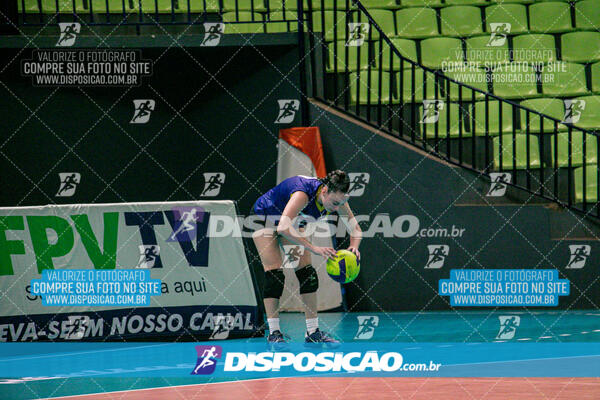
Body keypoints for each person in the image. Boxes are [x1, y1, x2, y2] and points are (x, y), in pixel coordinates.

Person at [251, 170, 362, 345]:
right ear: (324, 191)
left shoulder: (338, 198)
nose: (335, 208)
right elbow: (282, 229)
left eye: (340, 203)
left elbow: (356, 230)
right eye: (334, 203)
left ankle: (312, 332)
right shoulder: (302, 194)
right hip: (265, 218)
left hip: (291, 222)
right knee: (275, 274)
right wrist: (314, 248)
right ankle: (274, 332)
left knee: (307, 273)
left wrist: (354, 248)